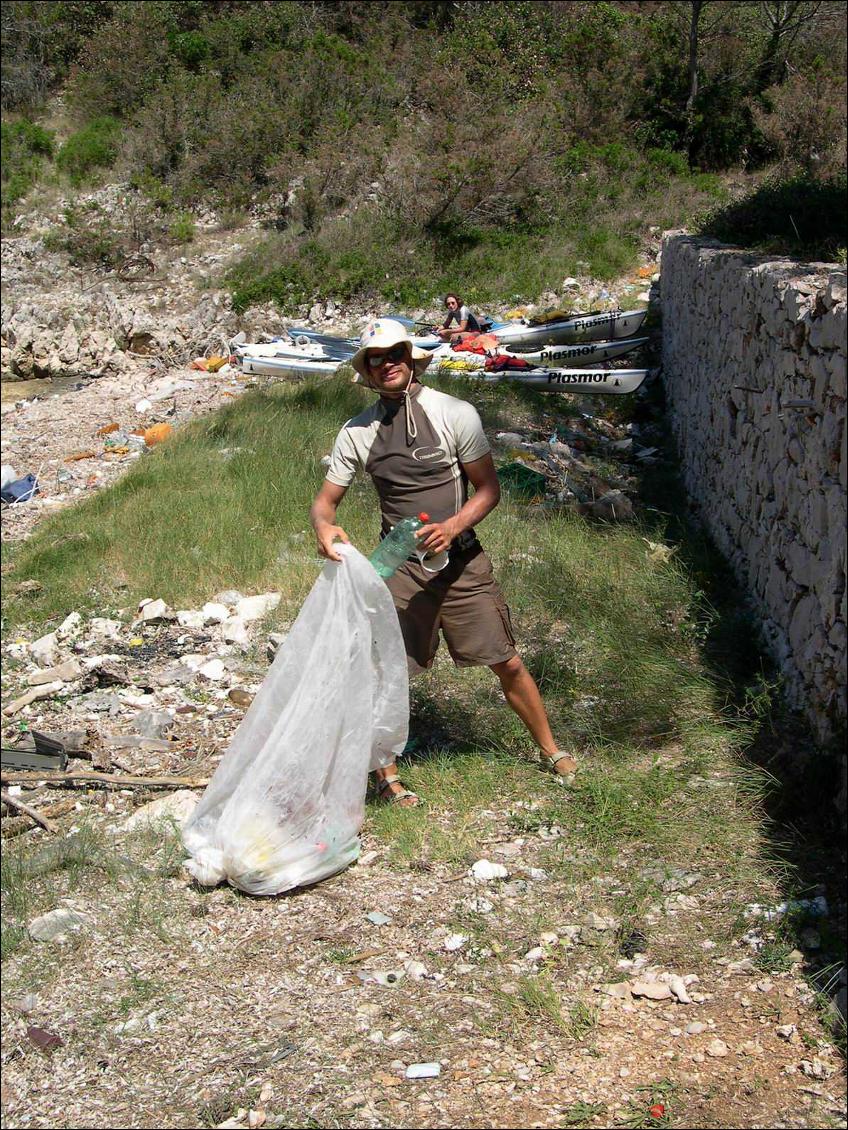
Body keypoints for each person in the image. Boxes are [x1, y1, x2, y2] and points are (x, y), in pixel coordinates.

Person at [309, 319, 577, 806]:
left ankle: (552, 751)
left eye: (395, 354)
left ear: (410, 358)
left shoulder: (454, 413)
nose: (386, 363)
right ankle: (385, 778)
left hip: (462, 561)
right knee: (382, 671)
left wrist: (453, 527)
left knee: (506, 660)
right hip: (399, 565)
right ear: (366, 371)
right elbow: (325, 503)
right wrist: (325, 529)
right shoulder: (357, 432)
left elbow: (488, 489)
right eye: (375, 358)